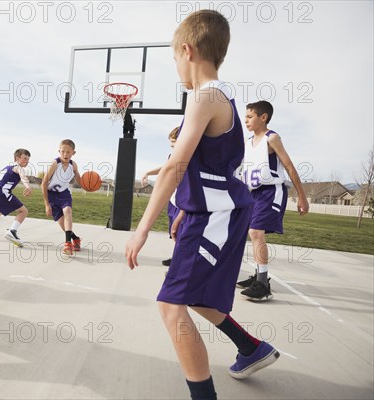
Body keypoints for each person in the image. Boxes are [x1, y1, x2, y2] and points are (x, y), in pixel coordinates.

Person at [125, 10, 279, 400]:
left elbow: (176, 165)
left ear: (187, 50)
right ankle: (251, 348)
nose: (176, 65)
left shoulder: (206, 95)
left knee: (171, 307)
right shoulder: (216, 96)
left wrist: (142, 228)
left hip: (218, 215)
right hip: (212, 213)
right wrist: (186, 212)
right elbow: (195, 166)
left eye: (175, 57)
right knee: (196, 296)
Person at [236, 100, 309, 300]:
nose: (246, 120)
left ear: (263, 117)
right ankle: (259, 276)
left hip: (271, 191)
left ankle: (263, 284)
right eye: (246, 116)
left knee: (255, 231)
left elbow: (289, 166)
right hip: (252, 194)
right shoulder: (247, 143)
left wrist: (302, 197)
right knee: (247, 233)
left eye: (250, 116)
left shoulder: (272, 138)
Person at [141, 126, 181, 266]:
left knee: (181, 231)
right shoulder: (172, 156)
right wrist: (148, 173)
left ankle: (180, 260)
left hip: (183, 200)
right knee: (174, 232)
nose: (171, 145)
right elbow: (164, 168)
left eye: (173, 141)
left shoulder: (188, 156)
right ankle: (177, 256)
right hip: (173, 200)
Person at [41, 139, 83, 255]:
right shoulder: (55, 164)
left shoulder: (73, 165)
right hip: (51, 195)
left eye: (68, 152)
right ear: (59, 151)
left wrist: (89, 185)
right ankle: (75, 238)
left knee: (68, 211)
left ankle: (67, 244)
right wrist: (47, 204)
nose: (65, 154)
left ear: (73, 153)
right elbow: (44, 183)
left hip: (64, 194)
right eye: (63, 151)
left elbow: (79, 180)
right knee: (61, 222)